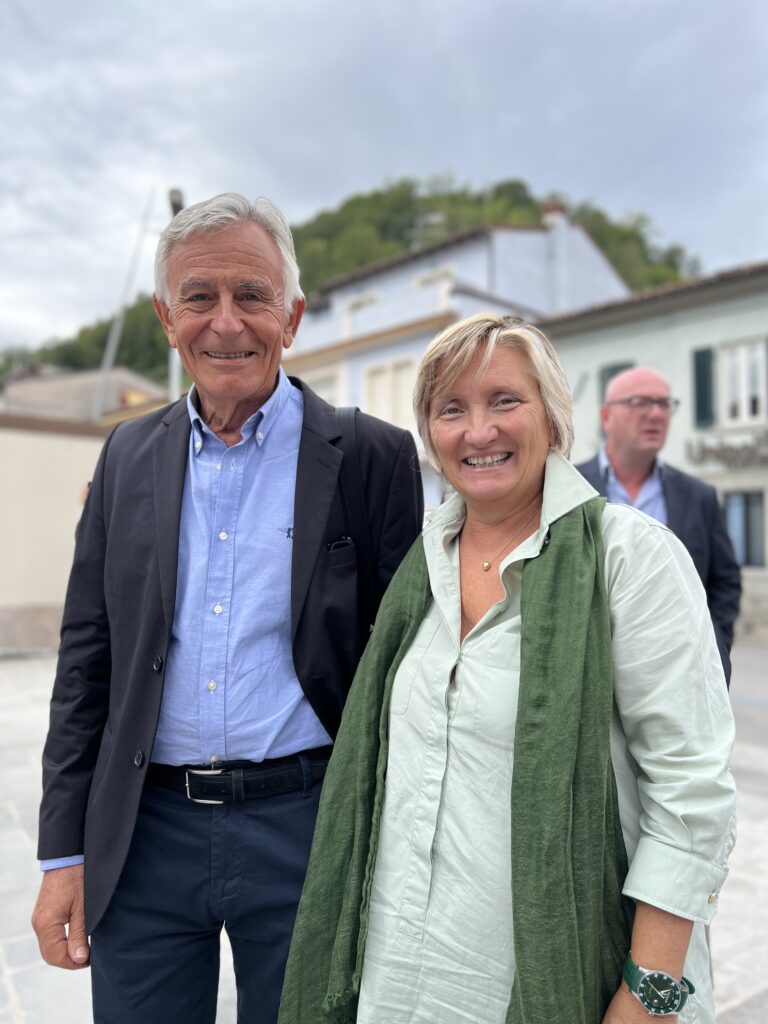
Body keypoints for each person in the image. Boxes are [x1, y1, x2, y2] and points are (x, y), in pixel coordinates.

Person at [31, 193, 424, 1023]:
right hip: (145, 834)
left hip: (308, 828)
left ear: (294, 316)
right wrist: (63, 852)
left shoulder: (372, 458)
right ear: (165, 318)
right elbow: (86, 660)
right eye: (199, 297)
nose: (226, 322)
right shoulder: (127, 453)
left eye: (252, 295)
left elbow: (405, 672)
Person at [278, 315, 736, 1024]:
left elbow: (690, 792)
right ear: (430, 433)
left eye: (504, 402)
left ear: (553, 417)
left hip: (548, 982)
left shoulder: (629, 557)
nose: (478, 431)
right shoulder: (420, 566)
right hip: (403, 982)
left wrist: (650, 995)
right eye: (451, 408)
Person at [575, 366, 740, 683]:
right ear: (606, 416)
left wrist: (715, 647)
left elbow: (724, 582)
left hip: (679, 677)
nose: (655, 415)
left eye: (664, 404)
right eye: (639, 402)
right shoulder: (570, 488)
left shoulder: (698, 497)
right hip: (591, 677)